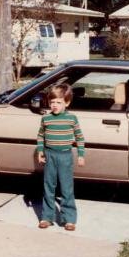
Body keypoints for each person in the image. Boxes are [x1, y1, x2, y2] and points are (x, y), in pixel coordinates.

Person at [36, 83, 85, 231]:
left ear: (67, 102)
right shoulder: (46, 118)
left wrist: (81, 155)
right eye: (52, 102)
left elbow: (80, 137)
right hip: (50, 155)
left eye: (59, 102)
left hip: (65, 155)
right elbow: (40, 136)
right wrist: (40, 152)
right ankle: (47, 217)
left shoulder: (72, 118)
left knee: (66, 188)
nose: (54, 105)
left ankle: (69, 219)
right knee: (48, 187)